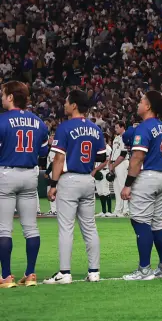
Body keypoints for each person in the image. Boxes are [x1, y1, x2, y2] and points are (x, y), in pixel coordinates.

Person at [42, 90, 106, 285]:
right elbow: (101, 157)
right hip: (87, 179)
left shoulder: (65, 127)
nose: (65, 104)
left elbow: (59, 159)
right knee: (90, 227)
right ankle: (94, 272)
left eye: (67, 102)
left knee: (66, 228)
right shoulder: (96, 128)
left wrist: (53, 184)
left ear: (75, 105)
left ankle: (65, 272)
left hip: (69, 179)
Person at [0, 81, 49, 289]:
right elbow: (44, 152)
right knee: (30, 227)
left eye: (3, 94)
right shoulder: (38, 122)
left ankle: (6, 276)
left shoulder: (2, 120)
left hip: (6, 173)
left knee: (4, 228)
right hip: (30, 174)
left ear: (11, 97)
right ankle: (30, 274)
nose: (2, 97)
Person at [121, 90, 162, 281]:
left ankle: (144, 270)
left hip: (147, 176)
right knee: (157, 223)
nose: (138, 104)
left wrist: (128, 184)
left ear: (148, 106)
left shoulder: (144, 127)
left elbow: (137, 158)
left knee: (140, 222)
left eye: (141, 101)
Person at [109, 123, 133, 217]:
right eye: (115, 127)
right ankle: (118, 210)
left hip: (122, 163)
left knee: (123, 186)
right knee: (116, 188)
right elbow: (112, 152)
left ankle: (126, 210)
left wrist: (113, 165)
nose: (116, 129)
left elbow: (123, 154)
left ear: (123, 127)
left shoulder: (126, 137)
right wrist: (110, 164)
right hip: (115, 163)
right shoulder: (116, 138)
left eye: (117, 127)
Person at [94, 137, 113, 218]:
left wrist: (96, 170)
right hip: (98, 170)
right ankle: (103, 211)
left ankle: (109, 211)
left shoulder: (107, 148)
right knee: (100, 192)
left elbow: (106, 162)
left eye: (104, 140)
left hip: (104, 170)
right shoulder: (98, 147)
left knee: (106, 191)